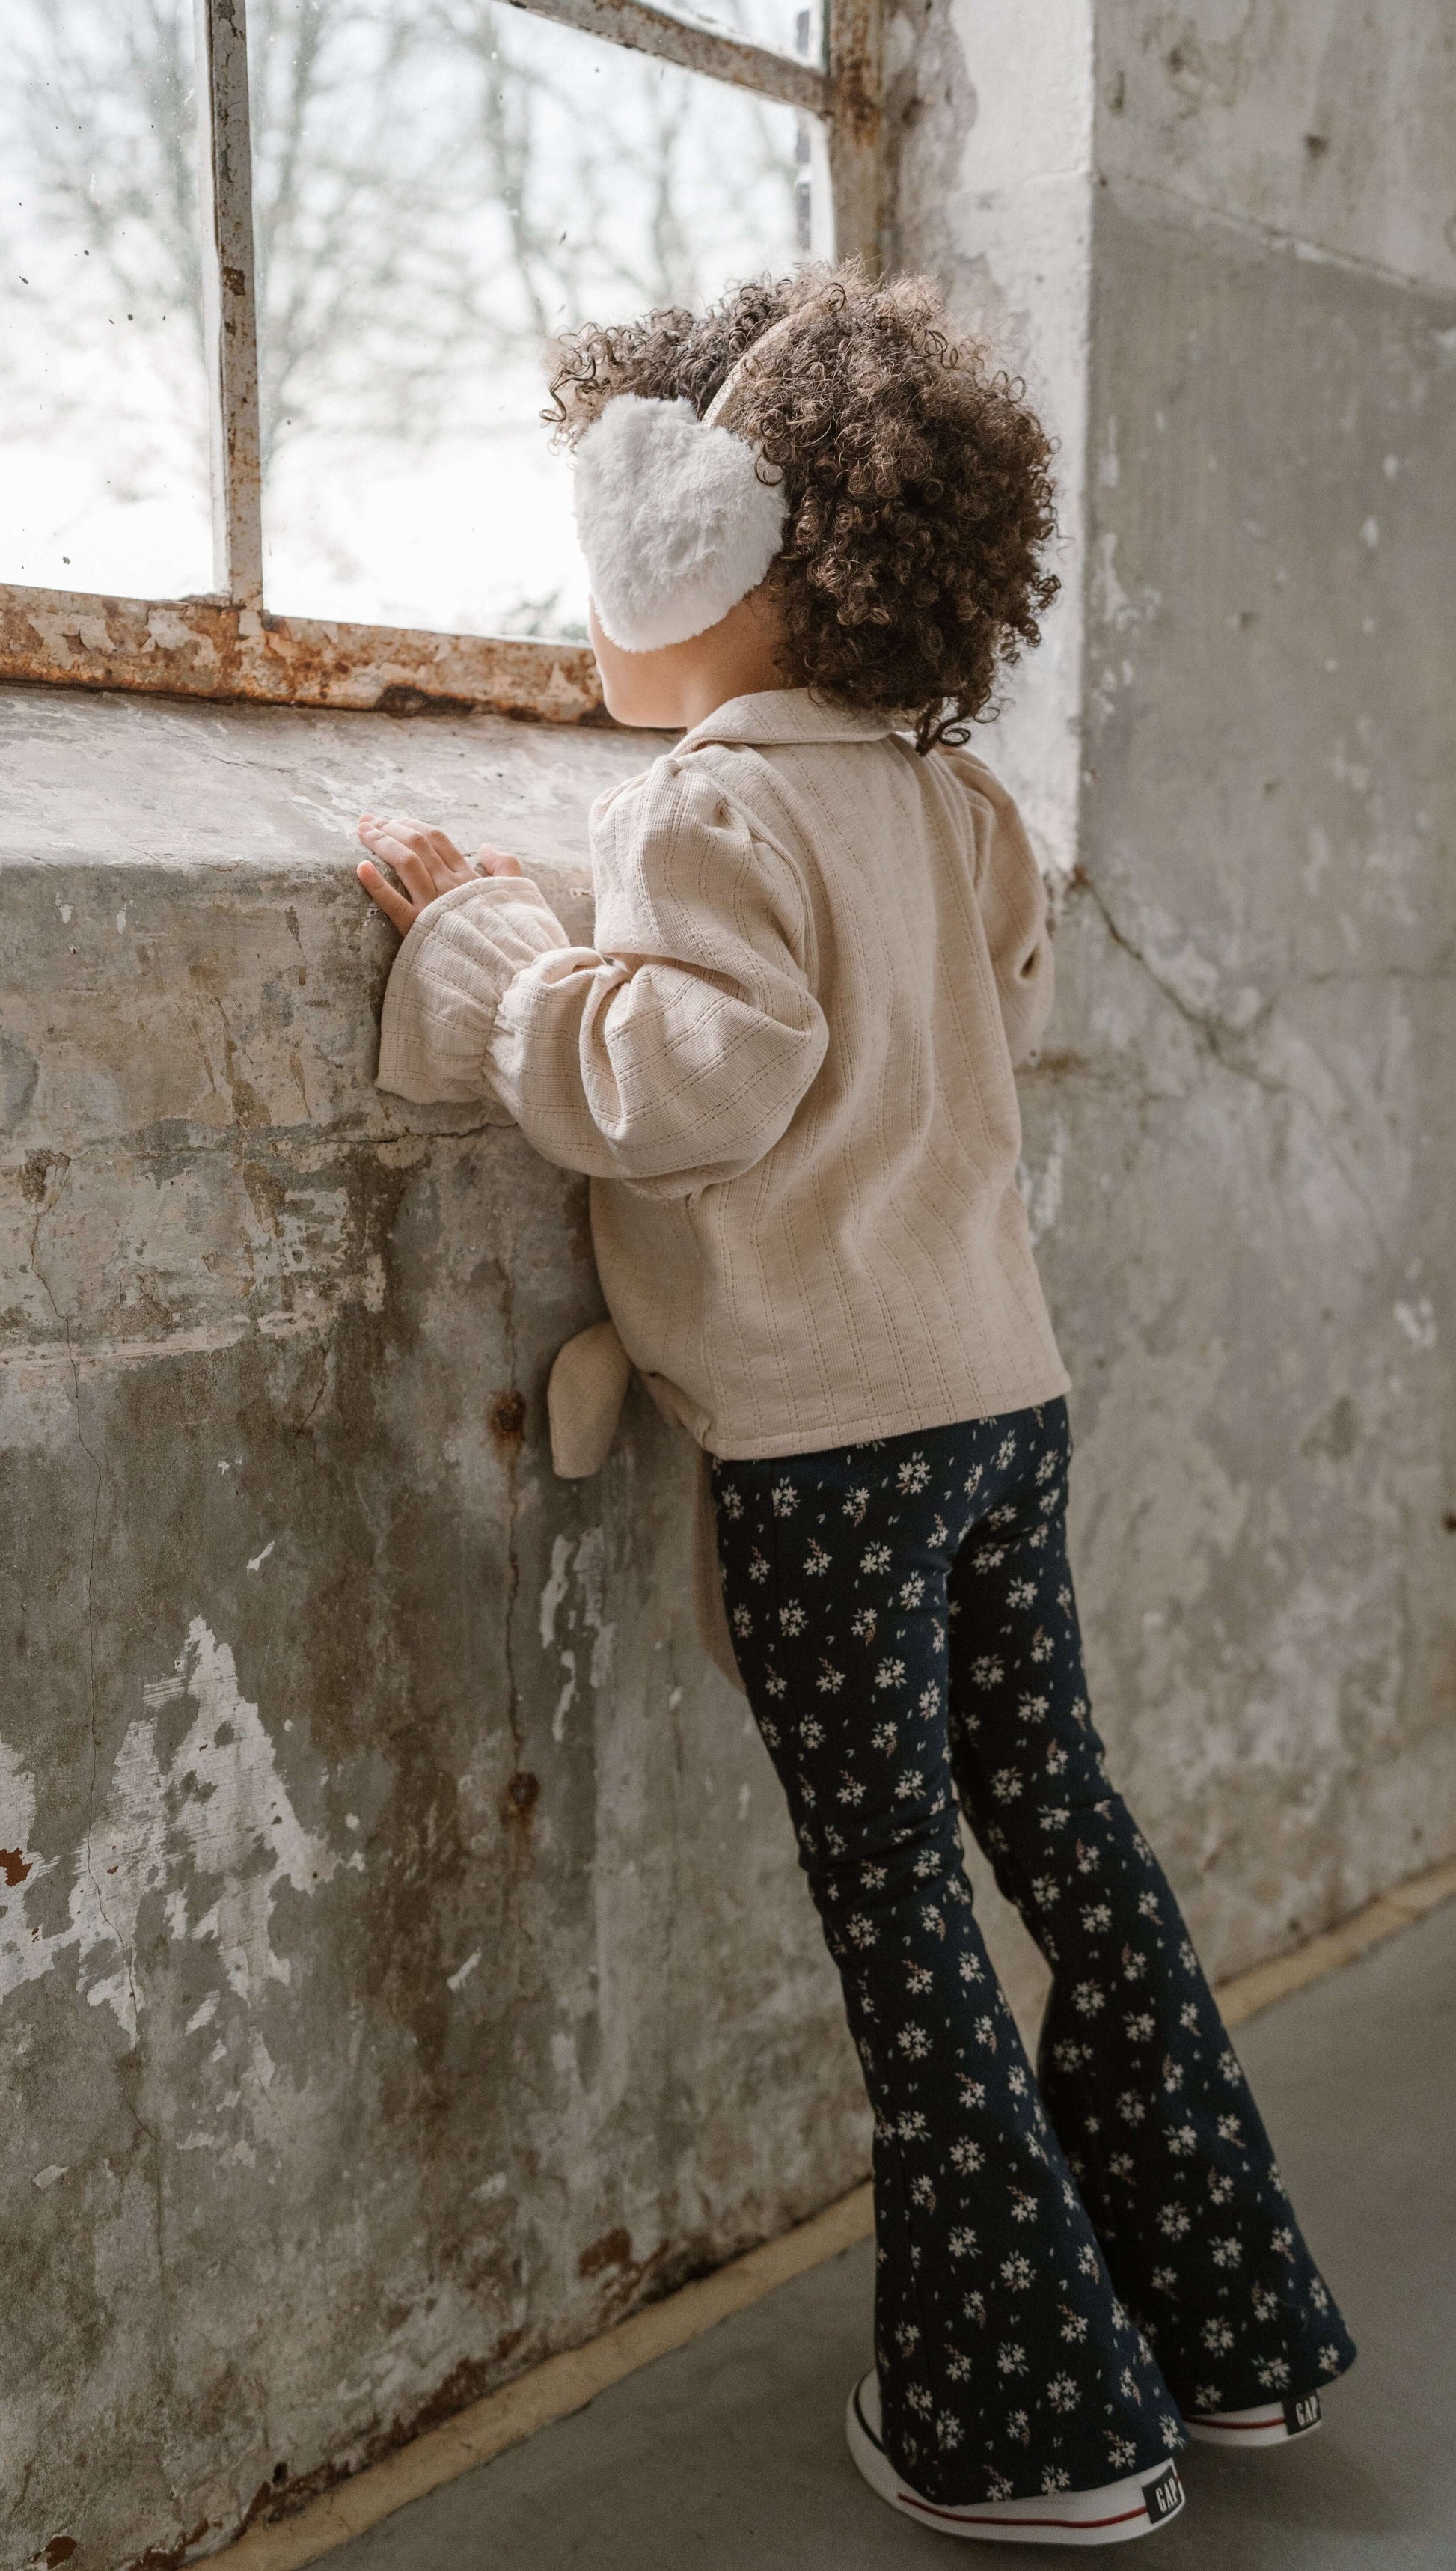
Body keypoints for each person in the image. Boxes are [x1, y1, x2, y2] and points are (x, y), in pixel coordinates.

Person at [355, 263, 1355, 2546]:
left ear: (713, 555)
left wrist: (487, 950)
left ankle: (1028, 2418)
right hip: (1003, 1398)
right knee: (1067, 1838)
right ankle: (1220, 2324)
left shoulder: (715, 802)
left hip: (833, 1454)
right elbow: (944, 1012)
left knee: (899, 1904)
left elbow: (687, 1084)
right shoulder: (949, 795)